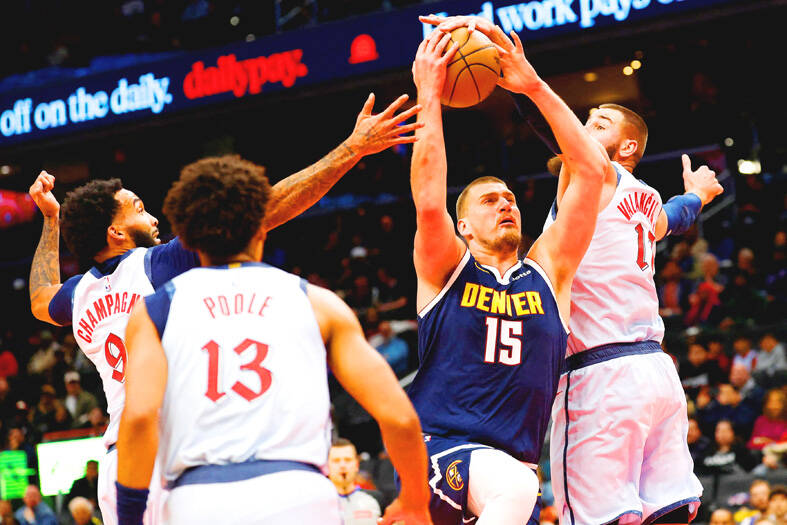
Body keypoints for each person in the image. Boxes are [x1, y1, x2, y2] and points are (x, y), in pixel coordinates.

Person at [27, 94, 422, 525]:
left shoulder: (78, 295)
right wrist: (352, 149)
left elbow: (40, 297)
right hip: (183, 454)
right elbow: (261, 209)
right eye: (139, 209)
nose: (154, 218)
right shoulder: (158, 266)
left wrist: (51, 220)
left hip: (120, 460)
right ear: (116, 232)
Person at [422, 12, 724, 525]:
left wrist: (521, 83)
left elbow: (565, 143)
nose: (583, 128)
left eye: (598, 125)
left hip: (600, 374)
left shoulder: (596, 175)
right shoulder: (645, 199)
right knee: (668, 512)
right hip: (655, 373)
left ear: (627, 148)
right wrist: (697, 195)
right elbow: (672, 219)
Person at [115, 156, 431, 525]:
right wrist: (414, 500)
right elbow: (399, 416)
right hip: (298, 494)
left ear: (187, 237)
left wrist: (130, 519)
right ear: (262, 229)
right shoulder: (318, 303)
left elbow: (139, 419)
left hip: (199, 499)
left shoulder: (154, 310)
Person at [406, 18, 609, 523]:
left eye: (511, 198)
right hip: (439, 449)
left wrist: (533, 85)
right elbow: (428, 200)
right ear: (463, 226)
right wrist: (429, 94)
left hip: (510, 471)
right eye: (490, 200)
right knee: (516, 488)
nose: (506, 204)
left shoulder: (549, 272)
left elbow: (591, 172)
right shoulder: (447, 269)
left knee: (517, 486)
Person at [328, 438, 384, 525]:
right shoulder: (318, 502)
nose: (342, 465)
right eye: (336, 461)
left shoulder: (376, 499)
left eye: (347, 460)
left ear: (357, 465)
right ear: (327, 466)